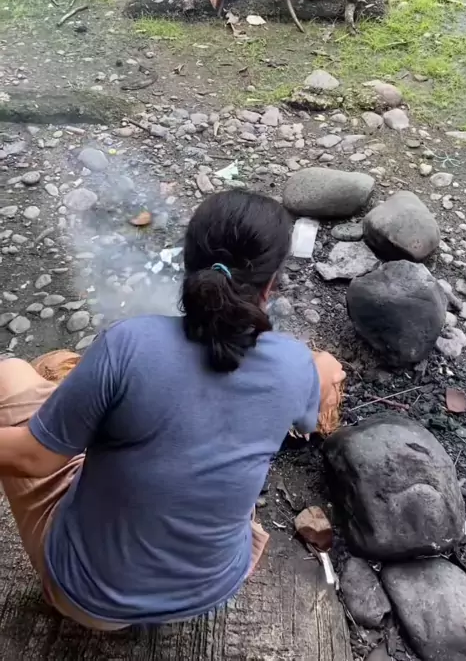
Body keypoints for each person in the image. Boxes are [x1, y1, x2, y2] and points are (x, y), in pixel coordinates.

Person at [0, 188, 345, 630]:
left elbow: (35, 459)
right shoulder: (295, 366)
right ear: (271, 283)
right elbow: (307, 414)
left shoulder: (128, 344)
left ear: (188, 262)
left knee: (11, 374)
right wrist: (319, 367)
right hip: (213, 587)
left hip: (92, 600)